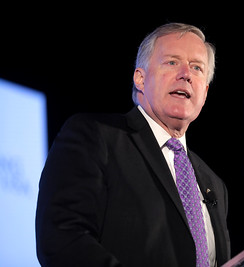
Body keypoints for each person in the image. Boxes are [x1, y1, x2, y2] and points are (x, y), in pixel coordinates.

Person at [35, 22, 231, 267]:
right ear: (140, 78)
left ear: (205, 93)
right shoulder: (95, 137)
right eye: (172, 62)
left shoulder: (214, 185)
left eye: (197, 67)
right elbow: (62, 239)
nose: (186, 74)